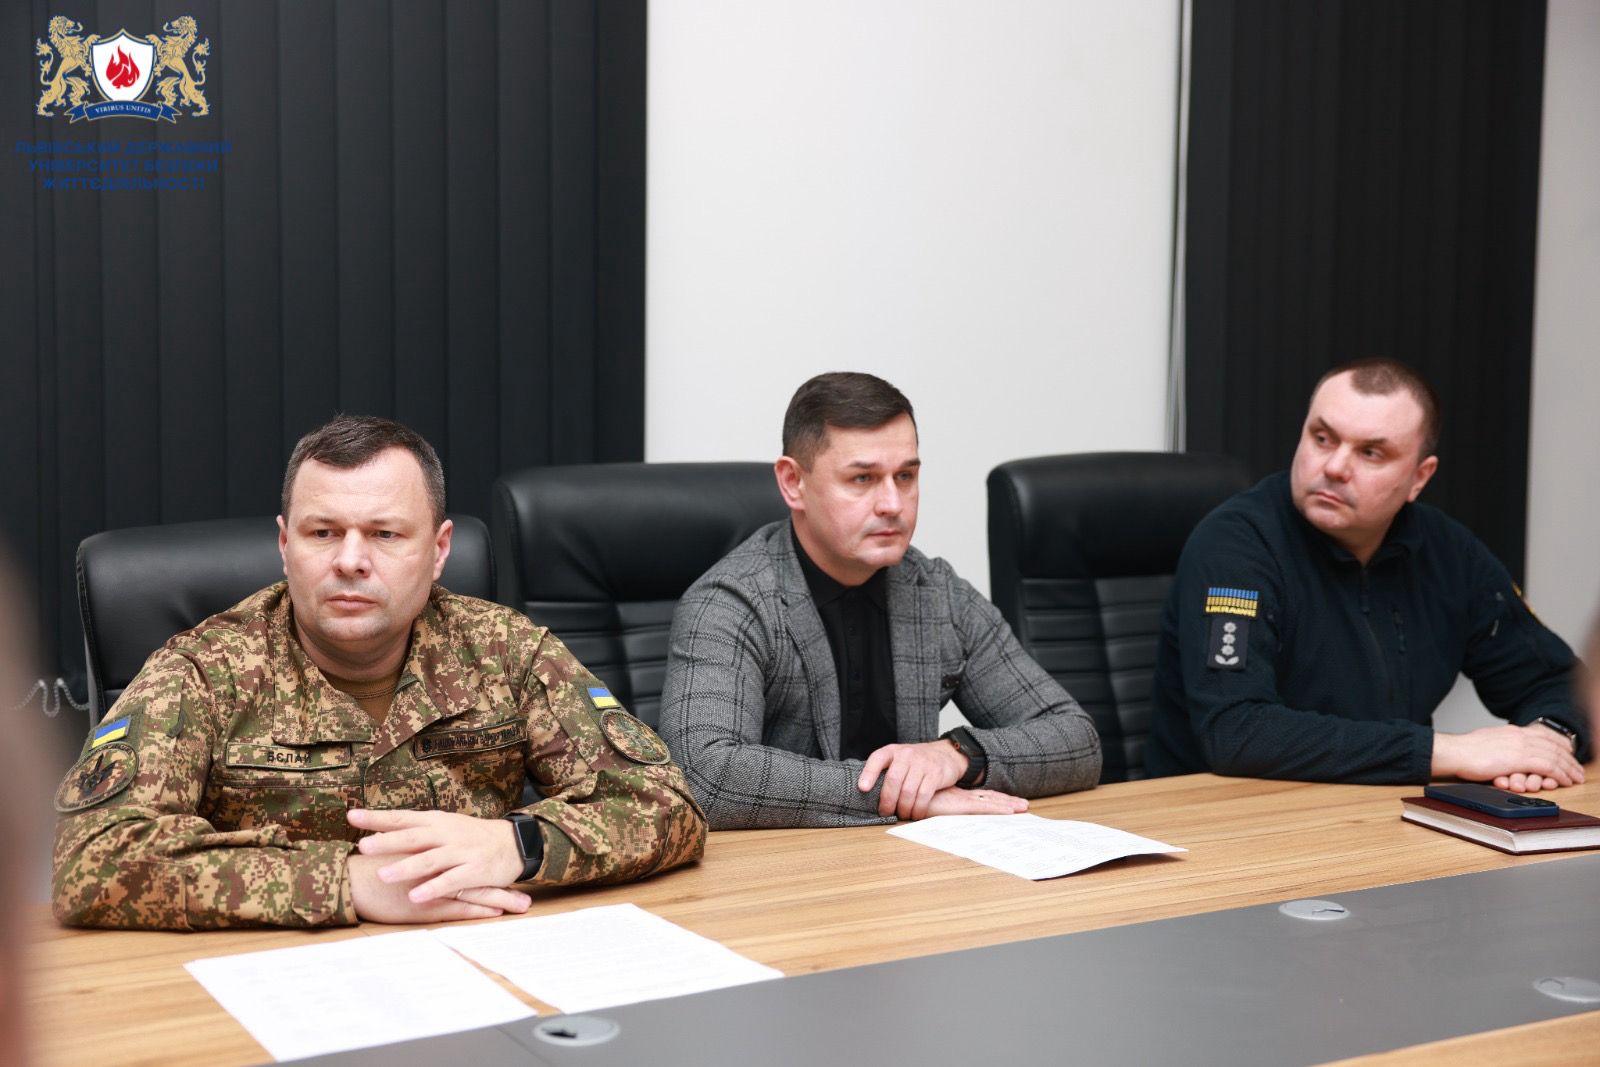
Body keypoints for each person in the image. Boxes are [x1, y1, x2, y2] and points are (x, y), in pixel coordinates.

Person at [52, 416, 705, 930]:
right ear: (284, 544)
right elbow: (91, 857)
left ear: (439, 550)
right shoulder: (202, 670)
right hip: (274, 980)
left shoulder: (505, 651)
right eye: (322, 532)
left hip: (477, 962)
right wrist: (344, 881)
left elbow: (665, 803)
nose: (350, 560)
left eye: (385, 534)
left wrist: (519, 844)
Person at [659, 372, 1101, 829]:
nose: (892, 503)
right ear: (793, 483)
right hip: (786, 866)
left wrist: (957, 755)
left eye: (905, 476)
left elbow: (1077, 739)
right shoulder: (730, 602)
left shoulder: (936, 591)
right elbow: (704, 776)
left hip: (913, 861)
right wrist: (898, 795)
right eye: (863, 478)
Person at [1148, 359, 1589, 789]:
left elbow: (1561, 684)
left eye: (1371, 453)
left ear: (1419, 478)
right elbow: (1237, 730)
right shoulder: (1236, 544)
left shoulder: (1449, 552)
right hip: (1221, 815)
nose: (1335, 467)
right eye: (1323, 438)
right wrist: (1447, 752)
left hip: (1379, 810)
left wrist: (1548, 741)